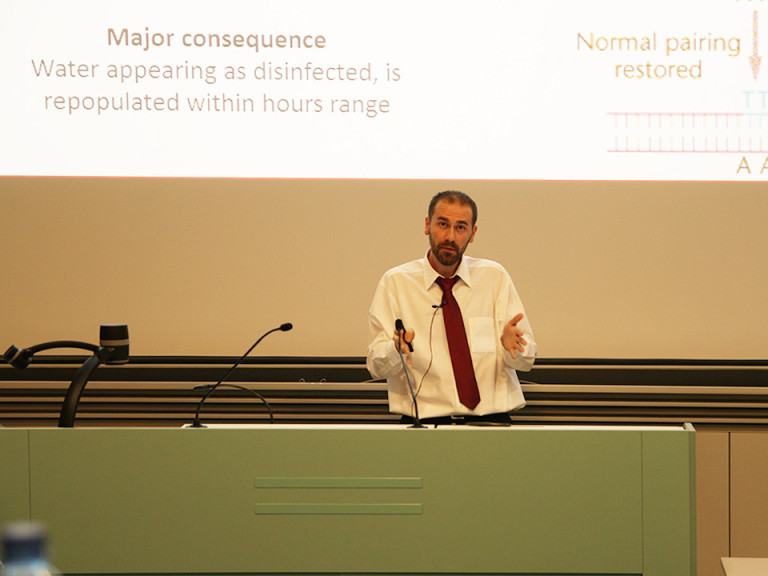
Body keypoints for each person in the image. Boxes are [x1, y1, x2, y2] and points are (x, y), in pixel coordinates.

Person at [366, 190, 536, 424]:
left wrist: (513, 348)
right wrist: (395, 349)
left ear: (472, 234)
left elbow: (526, 361)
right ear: (427, 225)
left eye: (461, 227)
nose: (450, 236)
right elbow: (376, 367)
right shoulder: (395, 282)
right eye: (443, 224)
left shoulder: (494, 277)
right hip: (424, 425)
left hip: (492, 423)